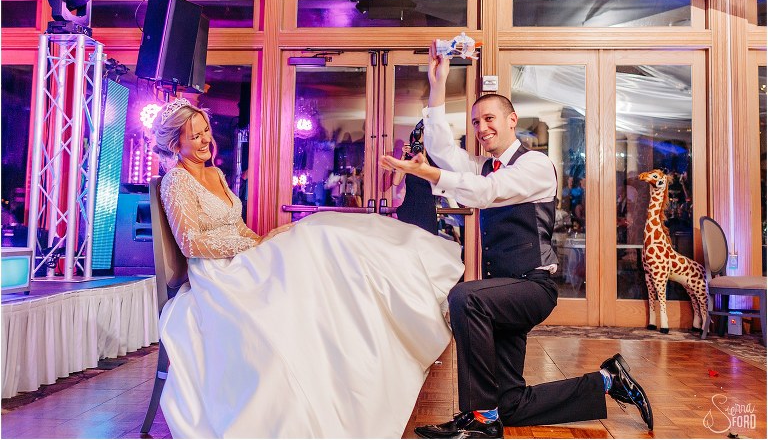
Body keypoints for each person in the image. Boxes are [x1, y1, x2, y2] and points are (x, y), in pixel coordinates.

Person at [379, 40, 653, 438]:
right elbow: (441, 149)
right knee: (511, 403)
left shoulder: (535, 165)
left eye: (489, 119)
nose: (481, 129)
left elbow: (486, 192)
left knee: (465, 297)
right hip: (503, 292)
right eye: (475, 122)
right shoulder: (483, 166)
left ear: (512, 120)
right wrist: (437, 85)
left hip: (533, 288)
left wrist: (427, 174)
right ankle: (608, 380)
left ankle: (480, 419)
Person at [151, 97, 464, 438]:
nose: (205, 140)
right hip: (217, 274)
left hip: (242, 257)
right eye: (195, 135)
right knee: (316, 238)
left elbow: (237, 228)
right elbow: (191, 244)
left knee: (318, 233)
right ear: (175, 144)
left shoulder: (215, 173)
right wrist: (254, 246)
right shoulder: (176, 181)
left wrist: (263, 240)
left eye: (206, 131)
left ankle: (398, 297)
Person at [393, 120, 439, 235]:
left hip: (427, 212)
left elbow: (435, 182)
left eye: (421, 144)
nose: (418, 147)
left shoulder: (434, 161)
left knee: (428, 243)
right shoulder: (409, 162)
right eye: (415, 144)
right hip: (409, 210)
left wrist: (423, 155)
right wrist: (403, 156)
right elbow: (396, 181)